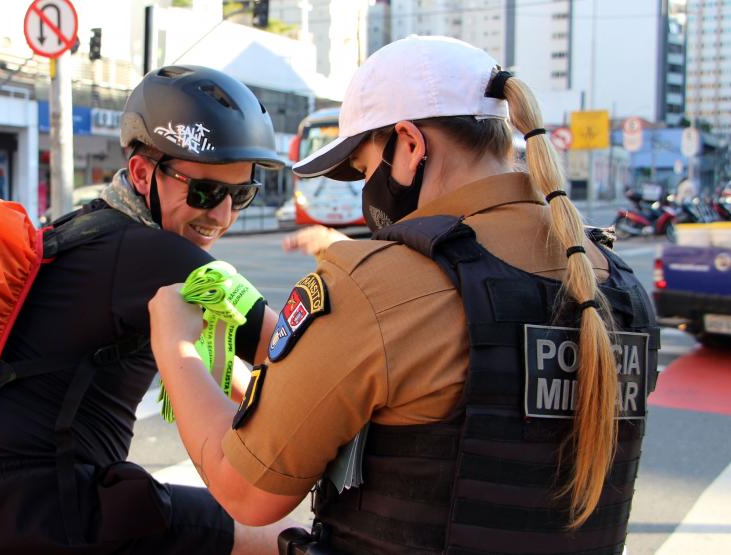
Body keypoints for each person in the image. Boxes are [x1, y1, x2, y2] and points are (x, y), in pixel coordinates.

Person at [148, 36, 660, 554]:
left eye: (365, 169)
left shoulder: (376, 284)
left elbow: (245, 491)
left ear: (410, 145)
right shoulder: (613, 283)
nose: (366, 189)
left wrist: (176, 346)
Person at [0, 66, 292, 554]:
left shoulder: (86, 231)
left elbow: (233, 368)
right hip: (37, 512)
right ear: (142, 173)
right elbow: (291, 354)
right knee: (281, 543)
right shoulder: (159, 256)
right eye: (205, 192)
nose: (221, 215)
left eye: (240, 195)